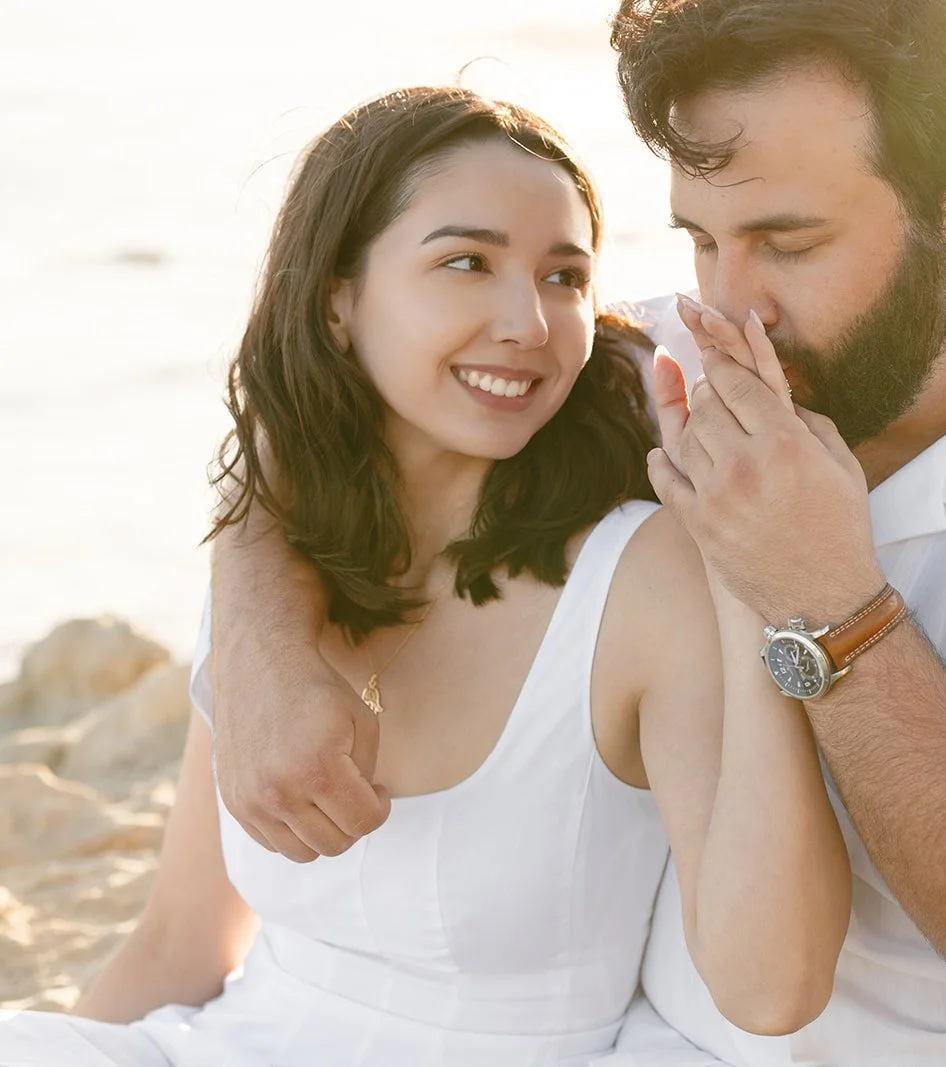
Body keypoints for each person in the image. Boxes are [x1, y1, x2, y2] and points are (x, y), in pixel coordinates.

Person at [196, 2, 946, 1065]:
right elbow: (335, 422)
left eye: (787, 242)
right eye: (701, 240)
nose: (729, 305)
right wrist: (260, 644)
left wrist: (826, 597)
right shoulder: (681, 370)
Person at [0, 86, 851, 1067]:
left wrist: (743, 569)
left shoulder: (638, 579)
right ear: (338, 299)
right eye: (466, 262)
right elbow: (180, 944)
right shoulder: (273, 565)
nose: (529, 322)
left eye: (564, 276)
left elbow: (773, 987)